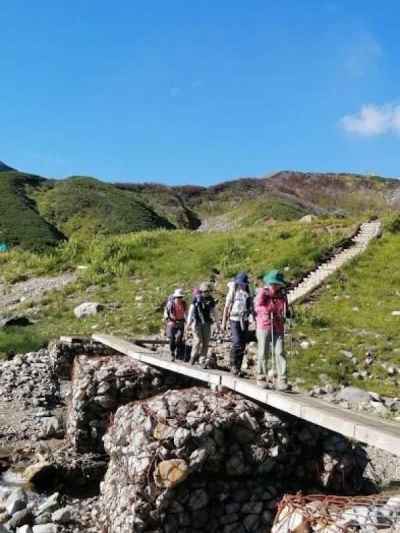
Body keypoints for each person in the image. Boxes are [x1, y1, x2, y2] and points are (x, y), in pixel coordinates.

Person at [255, 270, 290, 391]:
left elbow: (286, 309)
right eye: (272, 284)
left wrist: (286, 316)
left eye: (277, 284)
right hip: (264, 325)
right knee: (263, 351)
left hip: (278, 325)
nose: (274, 286)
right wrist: (266, 309)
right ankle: (261, 376)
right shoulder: (263, 293)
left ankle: (282, 379)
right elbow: (257, 306)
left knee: (280, 351)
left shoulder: (282, 295)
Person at [222, 272, 254, 375]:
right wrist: (223, 322)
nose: (242, 285)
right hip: (234, 319)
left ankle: (238, 367)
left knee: (243, 344)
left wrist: (253, 318)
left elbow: (251, 306)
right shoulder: (233, 291)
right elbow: (227, 307)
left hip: (244, 320)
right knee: (237, 342)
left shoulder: (248, 292)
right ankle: (233, 365)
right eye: (240, 283)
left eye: (243, 283)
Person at [187, 282, 217, 365]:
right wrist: (189, 323)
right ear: (201, 291)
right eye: (205, 291)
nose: (207, 293)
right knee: (197, 340)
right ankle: (193, 357)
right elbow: (191, 311)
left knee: (206, 342)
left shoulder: (211, 299)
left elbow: (214, 311)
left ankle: (202, 359)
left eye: (208, 291)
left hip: (207, 323)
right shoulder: (196, 299)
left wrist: (217, 323)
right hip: (196, 322)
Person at [164, 288, 187, 361]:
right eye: (178, 297)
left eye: (180, 297)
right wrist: (167, 318)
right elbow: (166, 312)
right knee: (171, 339)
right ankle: (172, 353)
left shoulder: (184, 304)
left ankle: (178, 352)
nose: (179, 298)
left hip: (180, 323)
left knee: (179, 338)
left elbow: (186, 313)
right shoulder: (170, 304)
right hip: (172, 323)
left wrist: (188, 321)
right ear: (175, 297)